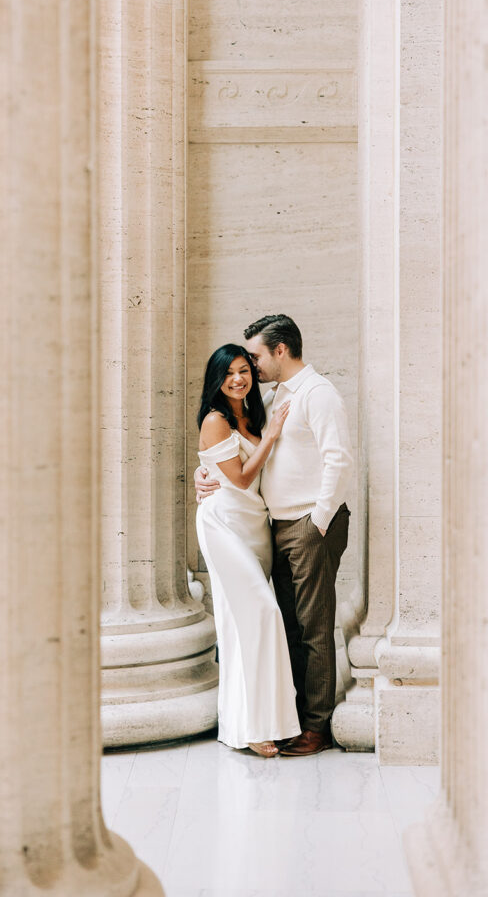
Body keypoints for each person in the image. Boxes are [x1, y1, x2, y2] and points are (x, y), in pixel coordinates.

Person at [196, 315, 353, 756]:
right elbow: (231, 450)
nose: (250, 368)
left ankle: (316, 727)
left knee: (313, 627)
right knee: (287, 624)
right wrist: (202, 474)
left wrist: (317, 522)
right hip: (270, 525)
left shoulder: (318, 394)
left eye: (255, 358)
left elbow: (338, 461)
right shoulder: (272, 397)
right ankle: (290, 719)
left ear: (280, 350)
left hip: (306, 525)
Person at [195, 343, 301, 757]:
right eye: (229, 373)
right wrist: (270, 437)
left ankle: (254, 722)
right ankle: (253, 727)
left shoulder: (256, 411)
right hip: (224, 524)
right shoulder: (216, 420)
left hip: (255, 525)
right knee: (261, 613)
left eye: (244, 370)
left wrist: (266, 431)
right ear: (217, 380)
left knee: (245, 625)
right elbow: (237, 480)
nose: (238, 379)